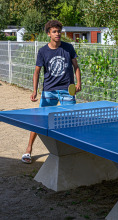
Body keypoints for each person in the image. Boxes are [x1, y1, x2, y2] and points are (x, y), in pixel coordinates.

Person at [21, 20, 81, 164]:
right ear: (49, 34)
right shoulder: (43, 51)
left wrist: (79, 83)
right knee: (39, 120)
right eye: (54, 31)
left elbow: (76, 67)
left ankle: (71, 151)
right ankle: (28, 150)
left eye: (59, 31)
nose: (57, 34)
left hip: (67, 90)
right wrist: (35, 90)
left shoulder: (68, 48)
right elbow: (37, 72)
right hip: (49, 91)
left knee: (71, 121)